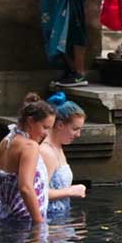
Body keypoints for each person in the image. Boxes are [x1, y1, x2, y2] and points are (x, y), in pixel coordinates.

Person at [0, 94, 53, 223]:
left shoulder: (5, 141)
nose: (46, 133)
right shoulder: (29, 146)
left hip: (6, 216)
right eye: (45, 127)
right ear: (31, 121)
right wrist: (39, 223)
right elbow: (26, 188)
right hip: (26, 220)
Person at [39, 93, 89, 221]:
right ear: (60, 125)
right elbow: (38, 193)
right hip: (49, 221)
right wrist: (71, 191)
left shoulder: (58, 148)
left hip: (60, 219)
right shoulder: (46, 152)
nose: (78, 134)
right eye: (75, 129)